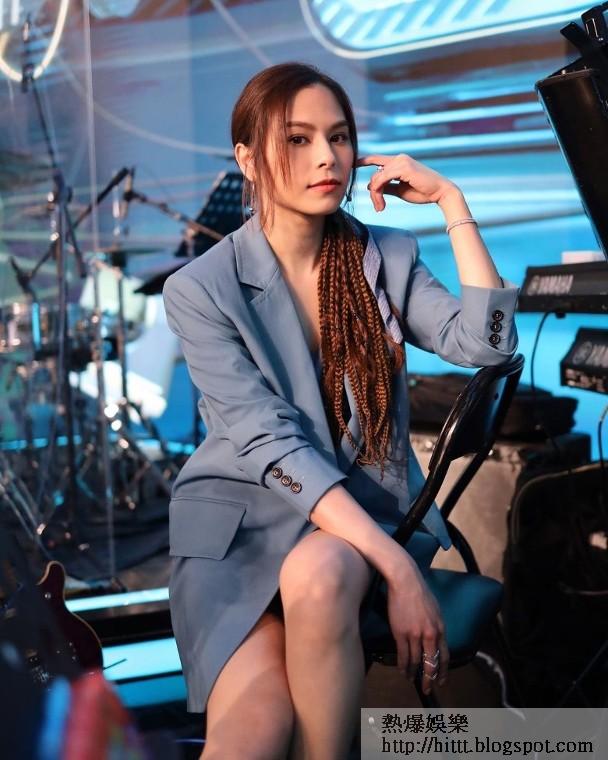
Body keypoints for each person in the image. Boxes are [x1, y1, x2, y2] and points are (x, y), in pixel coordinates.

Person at [162, 62, 518, 760]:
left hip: (353, 521)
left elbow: (490, 346)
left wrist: (453, 203)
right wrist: (400, 570)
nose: (327, 157)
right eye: (297, 140)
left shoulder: (384, 254)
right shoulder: (200, 288)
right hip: (238, 534)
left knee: (320, 572)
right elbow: (269, 443)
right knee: (256, 732)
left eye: (339, 136)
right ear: (247, 159)